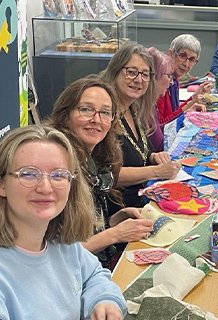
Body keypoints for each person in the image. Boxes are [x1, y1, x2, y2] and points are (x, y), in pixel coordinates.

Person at [0, 125, 127, 319]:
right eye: (28, 174)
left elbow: (94, 275)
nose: (44, 187)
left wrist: (104, 300)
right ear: (2, 185)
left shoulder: (63, 245)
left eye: (58, 175)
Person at [47, 76, 153, 269]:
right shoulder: (57, 166)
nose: (96, 120)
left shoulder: (94, 157)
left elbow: (84, 230)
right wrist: (115, 234)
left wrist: (115, 219)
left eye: (105, 113)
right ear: (66, 113)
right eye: (86, 109)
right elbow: (55, 256)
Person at [100, 44, 181, 212]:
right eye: (131, 72)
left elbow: (142, 149)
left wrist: (154, 156)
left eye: (145, 74)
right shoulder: (104, 113)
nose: (138, 79)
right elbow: (107, 174)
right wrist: (156, 171)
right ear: (115, 71)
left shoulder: (133, 107)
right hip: (119, 212)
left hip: (141, 201)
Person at [157, 34, 209, 128]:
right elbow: (161, 125)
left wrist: (194, 98)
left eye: (192, 59)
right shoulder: (161, 81)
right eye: (182, 56)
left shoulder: (175, 78)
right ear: (170, 53)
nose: (186, 64)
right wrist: (185, 112)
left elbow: (175, 112)